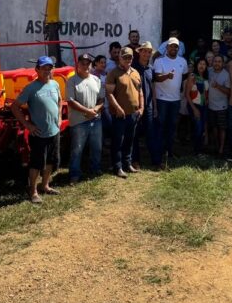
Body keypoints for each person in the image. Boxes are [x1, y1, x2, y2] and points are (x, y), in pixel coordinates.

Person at [11, 56, 62, 203]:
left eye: (49, 68)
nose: (47, 70)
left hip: (54, 131)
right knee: (36, 164)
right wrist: (28, 125)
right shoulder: (31, 88)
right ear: (37, 70)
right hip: (39, 134)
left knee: (51, 161)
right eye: (44, 68)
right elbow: (15, 107)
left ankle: (45, 186)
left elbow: (59, 101)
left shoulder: (55, 84)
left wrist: (58, 117)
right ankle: (32, 191)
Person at [65, 53, 105, 184]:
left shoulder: (96, 80)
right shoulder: (72, 81)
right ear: (78, 65)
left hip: (95, 119)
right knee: (77, 148)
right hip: (79, 122)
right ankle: (75, 174)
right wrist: (87, 111)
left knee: (97, 147)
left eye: (88, 63)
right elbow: (70, 101)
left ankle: (95, 168)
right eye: (83, 63)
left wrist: (96, 109)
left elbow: (101, 99)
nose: (86, 65)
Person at [106, 47, 143, 178]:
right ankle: (117, 167)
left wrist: (141, 108)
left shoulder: (136, 72)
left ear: (133, 58)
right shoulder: (113, 73)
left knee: (129, 140)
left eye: (130, 57)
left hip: (133, 113)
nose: (127, 59)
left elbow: (140, 92)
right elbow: (109, 94)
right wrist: (118, 108)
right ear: (120, 58)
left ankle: (127, 164)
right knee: (118, 141)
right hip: (119, 114)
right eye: (125, 57)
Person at [153, 36, 188, 160]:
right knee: (161, 126)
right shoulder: (159, 61)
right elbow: (156, 77)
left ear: (178, 48)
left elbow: (184, 76)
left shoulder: (182, 61)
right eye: (171, 46)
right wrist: (167, 76)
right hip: (162, 99)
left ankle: (170, 151)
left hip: (175, 99)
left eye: (176, 46)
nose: (173, 48)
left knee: (172, 126)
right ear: (166, 47)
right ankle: (160, 152)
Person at [133, 41, 160, 169]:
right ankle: (135, 161)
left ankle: (156, 161)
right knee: (135, 134)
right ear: (140, 52)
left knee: (151, 133)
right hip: (135, 107)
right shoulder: (132, 68)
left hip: (148, 106)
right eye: (144, 51)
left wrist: (154, 107)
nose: (147, 54)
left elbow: (153, 88)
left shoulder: (151, 69)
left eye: (149, 52)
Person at [208, 54, 231, 157]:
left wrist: (218, 86)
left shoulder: (226, 74)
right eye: (215, 61)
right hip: (211, 105)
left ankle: (221, 149)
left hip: (222, 106)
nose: (217, 63)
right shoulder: (209, 72)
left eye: (219, 61)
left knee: (222, 128)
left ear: (223, 63)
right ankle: (216, 147)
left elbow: (228, 91)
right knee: (214, 127)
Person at [186, 56, 209, 155]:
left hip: (204, 106)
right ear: (196, 65)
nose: (202, 66)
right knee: (198, 128)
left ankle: (200, 150)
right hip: (194, 105)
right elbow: (186, 94)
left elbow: (206, 92)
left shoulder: (206, 78)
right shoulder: (192, 76)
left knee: (202, 128)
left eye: (204, 64)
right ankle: (197, 151)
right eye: (200, 63)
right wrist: (194, 109)